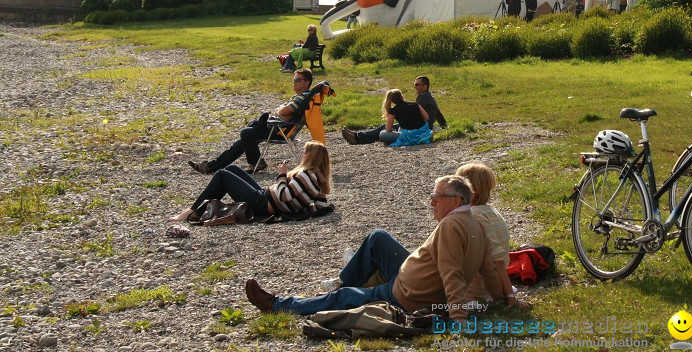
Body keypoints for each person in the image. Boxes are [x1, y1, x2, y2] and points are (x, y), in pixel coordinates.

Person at [245, 175, 524, 321]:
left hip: (405, 294)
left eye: (436, 197)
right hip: (413, 279)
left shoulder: (451, 227)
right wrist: (507, 299)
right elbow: (489, 268)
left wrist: (459, 317)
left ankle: (280, 305)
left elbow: (451, 273)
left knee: (342, 299)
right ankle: (343, 281)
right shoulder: (472, 222)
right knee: (378, 238)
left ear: (454, 200)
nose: (431, 202)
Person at [189, 69, 318, 174]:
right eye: (293, 79)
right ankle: (211, 166)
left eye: (297, 80)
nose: (294, 82)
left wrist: (280, 111)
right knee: (242, 141)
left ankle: (256, 163)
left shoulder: (303, 97)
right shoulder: (301, 96)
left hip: (280, 130)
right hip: (279, 126)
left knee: (246, 133)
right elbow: (284, 111)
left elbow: (283, 111)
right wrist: (281, 111)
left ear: (306, 83)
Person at [170, 141, 333, 222]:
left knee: (221, 175)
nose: (303, 155)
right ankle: (197, 209)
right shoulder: (318, 180)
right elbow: (322, 206)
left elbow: (284, 195)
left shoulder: (306, 175)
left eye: (305, 153)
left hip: (263, 204)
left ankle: (193, 211)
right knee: (232, 169)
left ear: (311, 157)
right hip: (265, 198)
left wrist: (282, 175)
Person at [454, 162, 524, 307]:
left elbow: (496, 259)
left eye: (458, 187)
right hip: (493, 281)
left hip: (480, 290)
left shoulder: (475, 216)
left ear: (472, 191)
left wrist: (509, 296)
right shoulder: (490, 211)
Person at [342, 76, 446, 145]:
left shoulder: (424, 98)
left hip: (420, 127)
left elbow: (411, 114)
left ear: (425, 86)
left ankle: (357, 138)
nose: (415, 87)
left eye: (417, 85)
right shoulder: (427, 97)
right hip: (422, 126)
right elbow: (437, 112)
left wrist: (397, 112)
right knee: (387, 127)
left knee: (384, 128)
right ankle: (357, 136)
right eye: (415, 84)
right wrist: (444, 126)